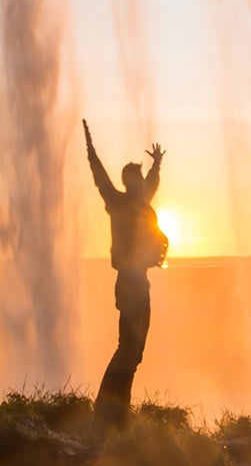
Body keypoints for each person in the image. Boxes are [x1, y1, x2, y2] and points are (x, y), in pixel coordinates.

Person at [83, 119, 167, 426]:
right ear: (129, 180)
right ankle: (105, 407)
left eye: (143, 177)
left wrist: (157, 164)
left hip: (141, 282)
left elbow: (153, 184)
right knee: (127, 347)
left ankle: (120, 410)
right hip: (129, 283)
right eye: (139, 176)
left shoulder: (141, 201)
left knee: (137, 351)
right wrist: (91, 151)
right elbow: (100, 179)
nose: (143, 181)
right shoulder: (117, 202)